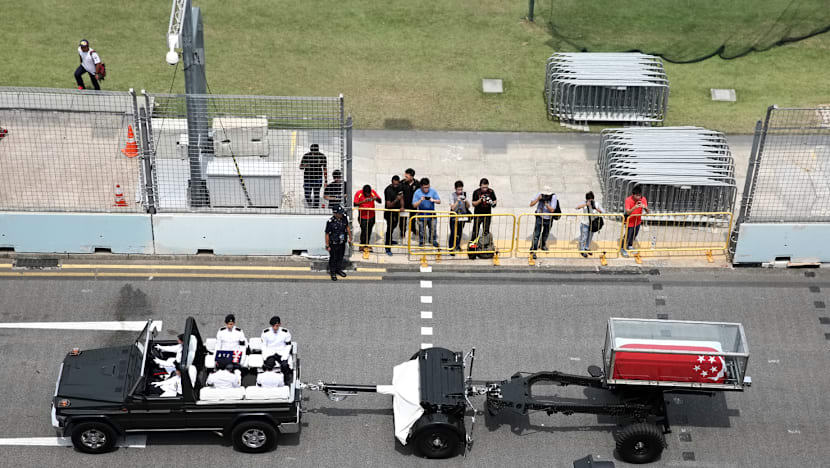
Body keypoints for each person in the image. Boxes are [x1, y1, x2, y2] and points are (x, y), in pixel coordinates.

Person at [529, 186, 557, 260]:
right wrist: (538, 199)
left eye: (547, 195)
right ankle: (534, 249)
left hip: (549, 219)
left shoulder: (553, 197)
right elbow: (531, 204)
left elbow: (552, 210)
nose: (546, 196)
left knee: (545, 233)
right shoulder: (540, 195)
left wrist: (546, 204)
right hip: (539, 217)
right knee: (536, 234)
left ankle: (542, 245)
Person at [325, 206, 352, 281]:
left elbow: (347, 227)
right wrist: (327, 245)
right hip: (333, 243)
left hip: (342, 242)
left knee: (340, 257)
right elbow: (327, 234)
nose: (341, 214)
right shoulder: (330, 222)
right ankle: (333, 272)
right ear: (335, 213)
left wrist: (350, 237)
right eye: (339, 213)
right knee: (333, 258)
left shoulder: (344, 218)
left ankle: (338, 270)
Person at [412, 178, 441, 247]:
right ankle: (422, 241)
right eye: (425, 187)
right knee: (421, 230)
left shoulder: (433, 191)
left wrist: (433, 200)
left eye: (428, 187)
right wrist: (420, 200)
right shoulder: (417, 192)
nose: (426, 189)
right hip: (421, 214)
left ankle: (433, 240)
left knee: (433, 229)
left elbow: (439, 201)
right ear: (421, 186)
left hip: (431, 214)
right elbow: (414, 205)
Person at [622, 186, 649, 257]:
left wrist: (645, 207)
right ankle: (623, 248)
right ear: (633, 195)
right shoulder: (628, 200)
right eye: (637, 195)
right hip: (629, 221)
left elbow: (648, 211)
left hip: (638, 221)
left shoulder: (643, 199)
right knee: (627, 235)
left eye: (640, 195)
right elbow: (627, 212)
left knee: (634, 235)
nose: (638, 197)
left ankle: (630, 246)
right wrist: (635, 207)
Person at [354, 185, 382, 253]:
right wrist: (363, 201)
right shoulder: (359, 193)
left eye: (368, 194)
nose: (368, 195)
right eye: (366, 194)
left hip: (371, 216)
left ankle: (367, 244)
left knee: (369, 231)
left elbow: (380, 201)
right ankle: (362, 245)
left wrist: (376, 198)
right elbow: (355, 204)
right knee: (364, 231)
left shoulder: (372, 192)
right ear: (363, 192)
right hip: (362, 216)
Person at [576, 192, 605, 257]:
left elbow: (603, 211)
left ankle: (586, 248)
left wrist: (595, 208)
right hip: (585, 223)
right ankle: (582, 250)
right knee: (584, 237)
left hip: (593, 224)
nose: (590, 201)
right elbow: (577, 207)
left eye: (591, 200)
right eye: (588, 200)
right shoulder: (584, 203)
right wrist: (586, 204)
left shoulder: (596, 204)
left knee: (590, 237)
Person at [300, 144, 327, 209]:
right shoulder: (306, 156)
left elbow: (325, 168)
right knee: (307, 195)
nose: (314, 153)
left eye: (315, 152)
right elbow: (301, 167)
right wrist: (306, 165)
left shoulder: (322, 156)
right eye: (313, 152)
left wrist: (326, 180)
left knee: (316, 194)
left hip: (318, 178)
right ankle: (309, 203)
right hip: (307, 178)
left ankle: (316, 208)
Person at [383, 175, 405, 256]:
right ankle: (387, 246)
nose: (396, 186)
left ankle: (390, 240)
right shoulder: (388, 190)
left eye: (397, 184)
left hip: (396, 211)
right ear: (392, 182)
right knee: (389, 228)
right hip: (389, 212)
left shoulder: (399, 187)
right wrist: (396, 200)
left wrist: (402, 206)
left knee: (394, 226)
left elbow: (401, 197)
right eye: (394, 184)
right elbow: (388, 205)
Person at [448, 180, 470, 255]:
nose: (460, 191)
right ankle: (451, 248)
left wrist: (466, 201)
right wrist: (457, 201)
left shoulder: (464, 194)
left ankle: (457, 246)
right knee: (453, 233)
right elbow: (452, 208)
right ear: (455, 188)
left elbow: (468, 206)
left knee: (460, 232)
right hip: (454, 217)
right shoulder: (452, 196)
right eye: (458, 189)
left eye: (461, 189)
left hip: (462, 217)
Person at [398, 168, 420, 239]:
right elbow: (399, 194)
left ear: (412, 177)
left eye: (407, 176)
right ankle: (402, 231)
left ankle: (413, 228)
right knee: (402, 219)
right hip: (404, 205)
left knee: (413, 219)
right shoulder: (402, 183)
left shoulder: (417, 184)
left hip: (413, 206)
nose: (405, 178)